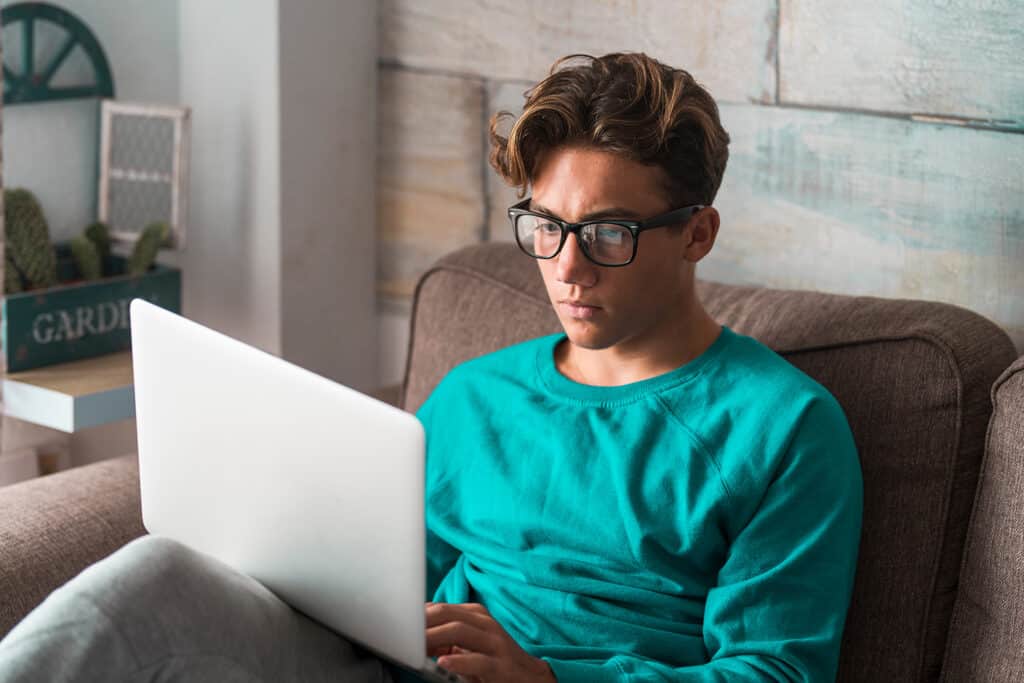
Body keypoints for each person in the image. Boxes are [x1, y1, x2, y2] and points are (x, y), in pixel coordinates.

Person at [0, 52, 862, 683]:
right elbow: (370, 583)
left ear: (697, 235)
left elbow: (775, 672)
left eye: (608, 233)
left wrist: (548, 680)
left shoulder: (782, 428)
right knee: (160, 578)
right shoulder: (477, 397)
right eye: (545, 226)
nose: (566, 266)